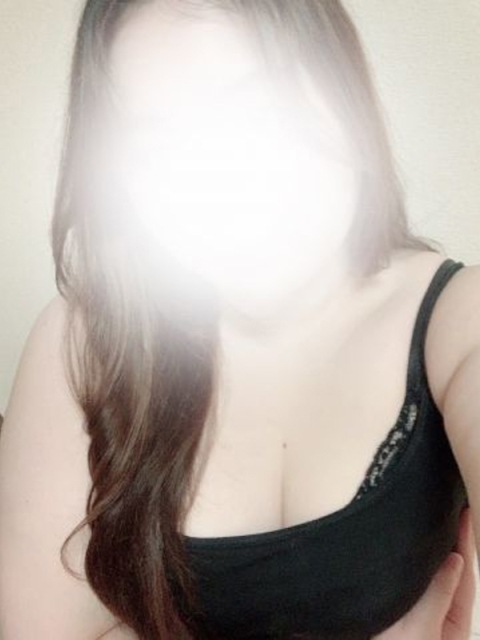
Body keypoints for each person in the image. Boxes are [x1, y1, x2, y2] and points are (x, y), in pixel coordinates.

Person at [0, 1, 478, 639]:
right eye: (156, 139)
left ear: (342, 94)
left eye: (256, 105)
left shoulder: (460, 319)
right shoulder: (80, 343)